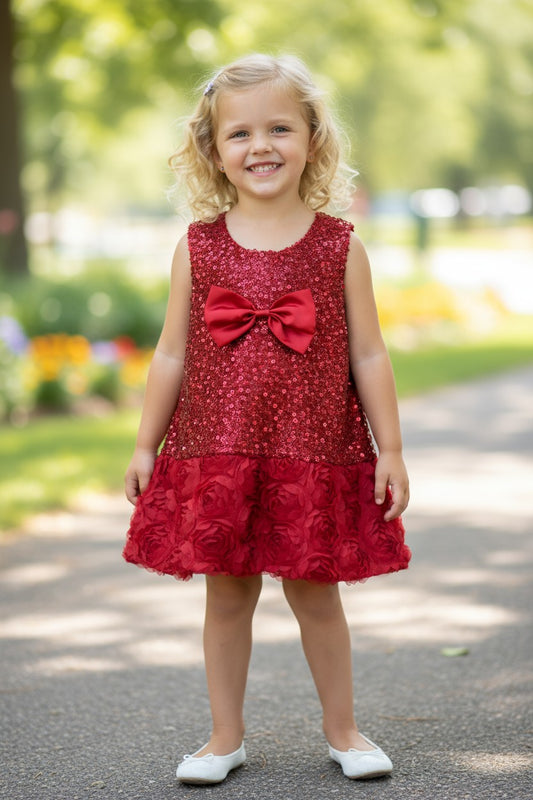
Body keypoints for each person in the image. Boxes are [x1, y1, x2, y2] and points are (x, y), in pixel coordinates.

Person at [123, 53, 411, 786]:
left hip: (313, 450)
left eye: (279, 127)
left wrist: (390, 449)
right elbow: (170, 356)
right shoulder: (198, 247)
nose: (260, 146)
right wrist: (145, 443)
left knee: (315, 593)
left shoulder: (339, 246)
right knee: (226, 594)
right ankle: (224, 738)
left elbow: (370, 356)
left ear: (312, 137)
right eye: (239, 133)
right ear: (212, 151)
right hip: (218, 450)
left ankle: (343, 730)